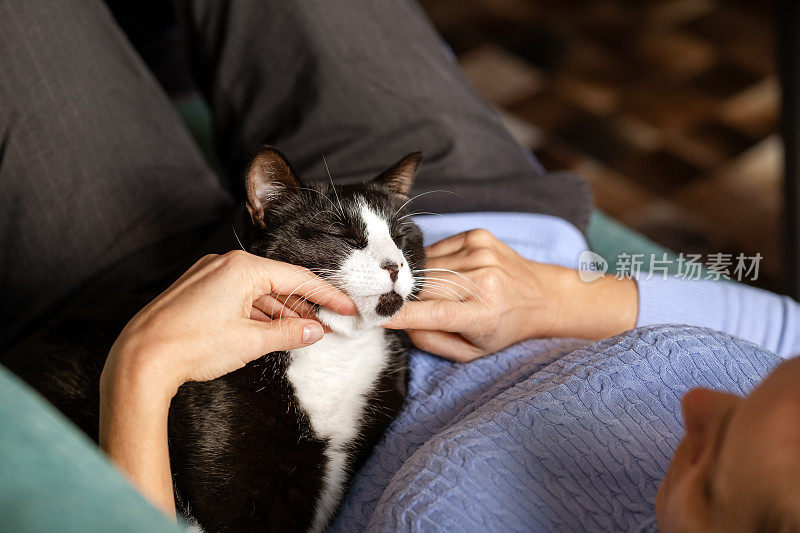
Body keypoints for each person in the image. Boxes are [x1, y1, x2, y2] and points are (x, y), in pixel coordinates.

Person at [2, 0, 799, 531]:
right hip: (474, 229)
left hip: (208, 384)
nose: (700, 399)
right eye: (758, 388)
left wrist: (142, 365)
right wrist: (558, 296)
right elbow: (789, 327)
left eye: (711, 457)